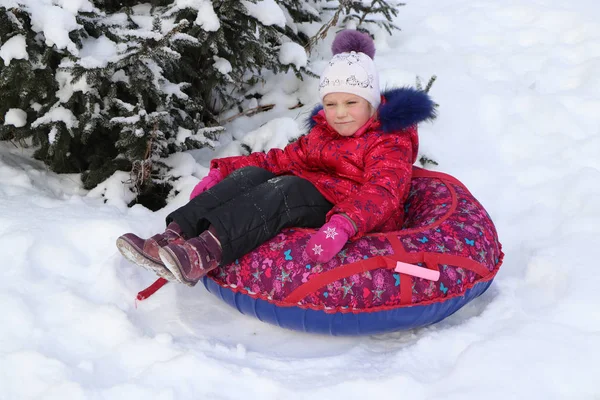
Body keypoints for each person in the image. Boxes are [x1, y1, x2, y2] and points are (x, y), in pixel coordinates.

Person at [116, 29, 436, 287]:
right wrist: (224, 171)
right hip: (312, 192)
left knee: (286, 191)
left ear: (372, 103)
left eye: (351, 103)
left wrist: (345, 223)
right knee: (253, 178)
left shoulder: (387, 140)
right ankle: (175, 235)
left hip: (346, 208)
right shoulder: (324, 132)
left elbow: (384, 190)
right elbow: (280, 159)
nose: (340, 114)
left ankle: (205, 252)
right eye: (332, 103)